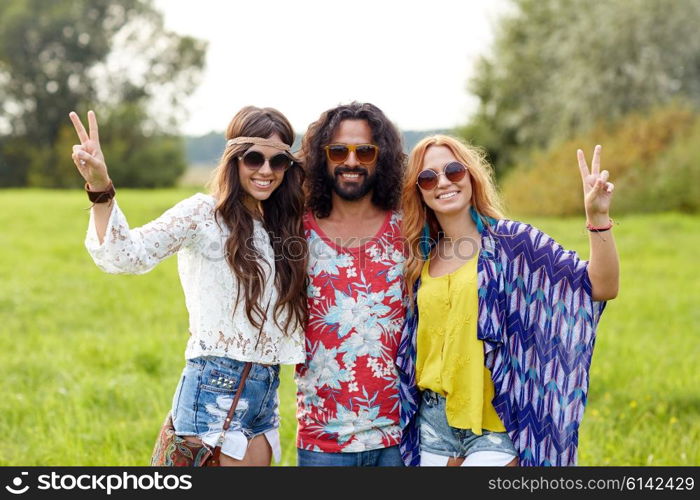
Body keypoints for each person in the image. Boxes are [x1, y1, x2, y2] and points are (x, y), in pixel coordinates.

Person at [69, 106, 307, 466]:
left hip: (266, 393)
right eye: (254, 158)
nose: (265, 171)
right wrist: (101, 187)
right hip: (213, 390)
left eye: (278, 162)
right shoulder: (202, 215)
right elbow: (124, 256)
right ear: (234, 159)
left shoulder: (285, 225)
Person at [397, 135, 619, 466]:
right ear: (420, 191)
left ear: (471, 176)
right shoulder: (418, 257)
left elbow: (600, 286)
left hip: (496, 423)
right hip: (432, 423)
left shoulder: (514, 242)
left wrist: (598, 218)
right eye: (428, 178)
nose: (442, 182)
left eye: (453, 171)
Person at [294, 102, 407, 466]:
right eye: (339, 151)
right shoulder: (296, 231)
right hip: (322, 440)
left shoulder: (411, 228)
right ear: (321, 158)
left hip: (401, 437)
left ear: (382, 157)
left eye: (366, 151)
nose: (352, 161)